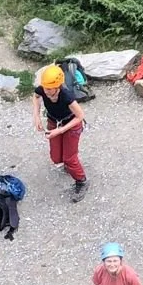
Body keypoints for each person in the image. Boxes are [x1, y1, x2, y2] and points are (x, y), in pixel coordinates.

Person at [35, 63, 89, 201]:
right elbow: (35, 97)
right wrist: (36, 117)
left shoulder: (66, 96)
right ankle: (68, 164)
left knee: (69, 158)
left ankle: (81, 181)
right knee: (56, 158)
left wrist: (59, 131)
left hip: (71, 125)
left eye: (49, 89)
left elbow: (80, 116)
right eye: (45, 87)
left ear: (57, 86)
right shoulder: (43, 89)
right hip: (54, 122)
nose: (45, 91)